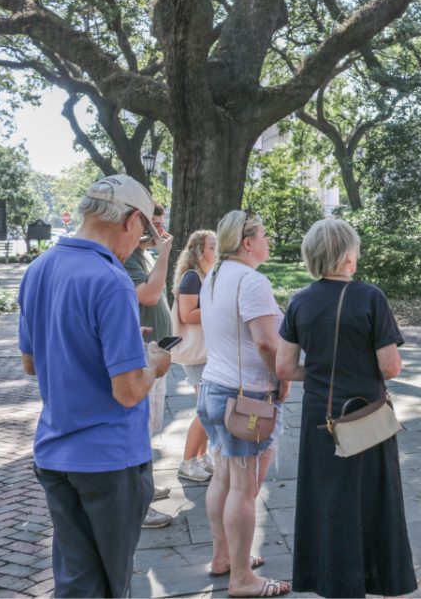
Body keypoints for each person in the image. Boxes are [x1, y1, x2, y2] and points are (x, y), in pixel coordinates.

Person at [17, 174, 172, 597]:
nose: (138, 244)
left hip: (55, 451)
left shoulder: (39, 268)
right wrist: (154, 363)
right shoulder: (111, 278)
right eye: (143, 234)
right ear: (132, 220)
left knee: (76, 579)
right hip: (108, 458)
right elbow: (127, 392)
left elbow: (31, 363)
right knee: (109, 584)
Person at [276, 218, 417, 598]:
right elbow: (390, 366)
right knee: (373, 500)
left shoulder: (299, 301)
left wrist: (322, 370)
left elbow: (285, 368)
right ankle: (378, 577)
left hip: (320, 417)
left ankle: (333, 584)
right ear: (348, 256)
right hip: (365, 415)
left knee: (327, 502)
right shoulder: (370, 297)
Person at [197, 210, 291, 597]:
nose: (269, 242)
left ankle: (224, 558)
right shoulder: (251, 281)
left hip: (214, 388)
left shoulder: (214, 277)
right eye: (265, 236)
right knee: (243, 486)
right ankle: (241, 578)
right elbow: (267, 342)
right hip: (246, 396)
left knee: (223, 476)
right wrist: (280, 377)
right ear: (248, 242)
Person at [123, 202, 175, 528]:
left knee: (152, 424)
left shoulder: (144, 255)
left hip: (156, 351)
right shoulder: (129, 256)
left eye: (160, 223)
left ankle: (146, 487)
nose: (158, 231)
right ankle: (138, 504)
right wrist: (166, 253)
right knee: (142, 426)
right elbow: (150, 295)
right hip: (144, 351)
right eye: (152, 224)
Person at [172, 229, 217, 482]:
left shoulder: (204, 276)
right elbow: (186, 315)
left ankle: (199, 458)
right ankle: (188, 462)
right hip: (197, 354)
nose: (217, 251)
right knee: (207, 410)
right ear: (199, 251)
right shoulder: (192, 278)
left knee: (207, 408)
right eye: (212, 247)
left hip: (205, 353)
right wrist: (218, 308)